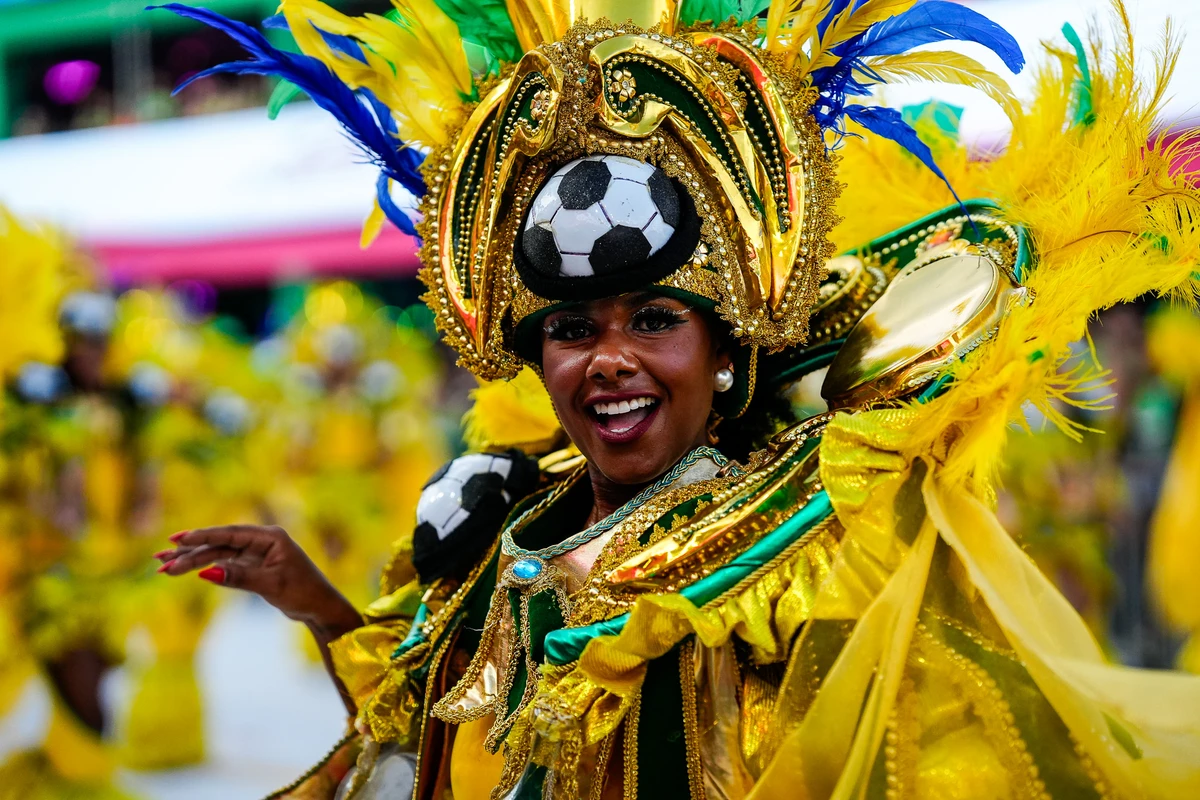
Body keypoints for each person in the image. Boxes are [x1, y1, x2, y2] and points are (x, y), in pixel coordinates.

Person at [154, 0, 1200, 798]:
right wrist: (321, 607)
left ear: (727, 351)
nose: (609, 360)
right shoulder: (501, 537)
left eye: (655, 320)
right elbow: (413, 749)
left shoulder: (801, 555)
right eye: (572, 330)